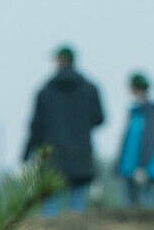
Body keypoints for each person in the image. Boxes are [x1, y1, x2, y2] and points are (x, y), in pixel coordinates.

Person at [23, 45, 105, 216]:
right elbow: (99, 118)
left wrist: (25, 154)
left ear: (58, 61)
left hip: (52, 157)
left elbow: (36, 126)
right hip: (80, 156)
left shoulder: (45, 92)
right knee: (77, 212)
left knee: (49, 209)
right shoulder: (90, 89)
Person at [115, 73, 154, 209]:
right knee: (128, 205)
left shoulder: (150, 112)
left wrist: (143, 166)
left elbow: (150, 140)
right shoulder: (133, 112)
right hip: (128, 167)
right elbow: (126, 142)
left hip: (145, 168)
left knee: (147, 203)